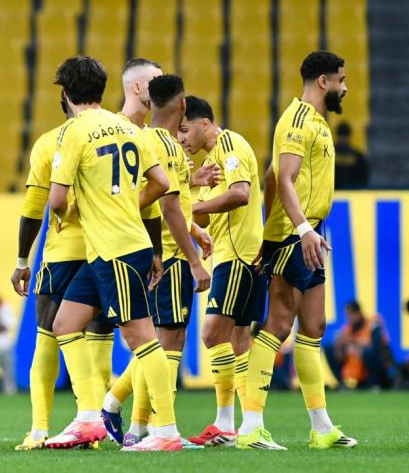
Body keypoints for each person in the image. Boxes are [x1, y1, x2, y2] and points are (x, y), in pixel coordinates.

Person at [44, 56, 183, 451]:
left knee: (141, 337)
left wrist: (67, 215)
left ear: (66, 93)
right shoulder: (127, 128)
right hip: (114, 248)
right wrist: (125, 206)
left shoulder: (74, 132)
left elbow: (56, 201)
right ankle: (89, 418)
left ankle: (167, 431)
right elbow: (161, 182)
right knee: (65, 323)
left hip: (115, 251)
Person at [240, 50, 357, 450]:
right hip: (296, 233)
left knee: (314, 326)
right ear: (324, 82)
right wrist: (294, 230)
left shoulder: (317, 123)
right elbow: (286, 179)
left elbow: (272, 175)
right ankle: (250, 427)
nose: (345, 87)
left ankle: (321, 429)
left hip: (308, 230)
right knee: (277, 325)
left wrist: (274, 229)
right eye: (341, 79)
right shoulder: (296, 121)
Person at [101, 75, 214, 449]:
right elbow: (168, 207)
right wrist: (193, 259)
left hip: (155, 251)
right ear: (183, 105)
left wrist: (195, 229)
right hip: (170, 255)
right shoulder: (165, 145)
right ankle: (146, 423)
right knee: (166, 342)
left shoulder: (143, 139)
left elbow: (169, 203)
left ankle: (139, 426)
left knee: (162, 340)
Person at [10, 90, 115, 450]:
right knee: (100, 338)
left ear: (65, 101)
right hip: (105, 249)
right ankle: (93, 429)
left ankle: (39, 430)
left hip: (63, 253)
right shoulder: (116, 132)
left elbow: (34, 205)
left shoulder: (49, 142)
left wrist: (22, 261)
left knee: (47, 335)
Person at [176, 95, 267, 447]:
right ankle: (250, 425)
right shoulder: (210, 163)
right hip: (239, 254)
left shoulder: (229, 144)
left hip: (238, 256)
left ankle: (225, 423)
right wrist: (192, 189)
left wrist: (195, 203)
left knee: (212, 334)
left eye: (185, 129)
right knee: (238, 341)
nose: (181, 137)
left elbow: (241, 194)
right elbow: (201, 216)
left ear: (205, 124)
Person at [324, 301, 394, 389]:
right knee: (328, 347)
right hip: (355, 369)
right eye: (347, 315)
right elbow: (340, 357)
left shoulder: (372, 324)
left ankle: (374, 384)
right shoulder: (348, 330)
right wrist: (339, 349)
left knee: (368, 352)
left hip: (376, 367)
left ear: (358, 312)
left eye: (351, 314)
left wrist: (354, 342)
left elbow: (376, 346)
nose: (349, 317)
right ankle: (343, 383)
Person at [333, 122, 369, 189]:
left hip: (331, 192)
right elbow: (363, 180)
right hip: (352, 193)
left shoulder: (327, 154)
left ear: (336, 136)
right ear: (349, 136)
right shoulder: (358, 156)